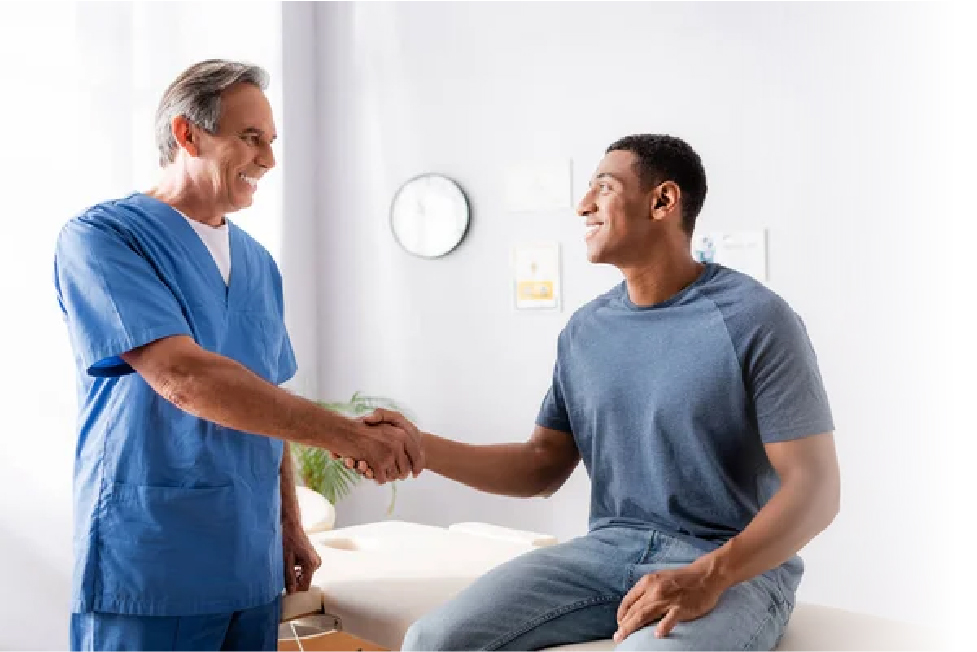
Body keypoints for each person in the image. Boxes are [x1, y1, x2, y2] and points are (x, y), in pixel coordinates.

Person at [368, 134, 840, 651]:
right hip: (605, 555)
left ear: (663, 201)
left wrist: (711, 574)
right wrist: (420, 448)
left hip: (733, 567)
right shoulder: (585, 331)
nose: (582, 206)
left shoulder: (757, 319)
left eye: (603, 189)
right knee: (432, 640)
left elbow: (815, 488)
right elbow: (541, 463)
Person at [54, 59, 424, 652]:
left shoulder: (258, 264)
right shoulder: (104, 238)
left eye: (271, 143)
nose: (268, 160)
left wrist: (288, 523)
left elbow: (266, 402)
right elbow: (184, 377)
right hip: (152, 558)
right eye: (250, 138)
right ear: (187, 134)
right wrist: (347, 434)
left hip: (249, 563)